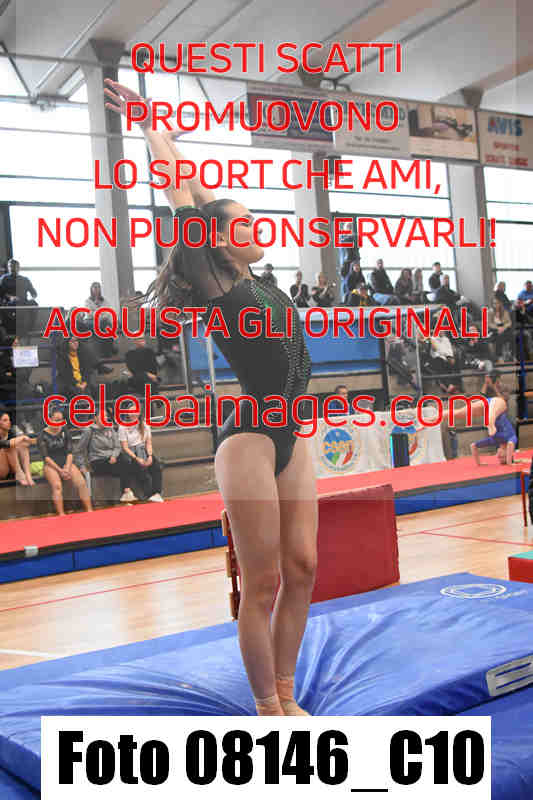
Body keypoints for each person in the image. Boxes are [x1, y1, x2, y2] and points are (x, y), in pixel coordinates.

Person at [105, 79, 317, 717]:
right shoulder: (215, 280)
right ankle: (267, 707)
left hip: (290, 431)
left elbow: (198, 188)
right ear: (217, 240)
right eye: (243, 222)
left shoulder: (258, 280)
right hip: (250, 435)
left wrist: (168, 132)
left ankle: (288, 693)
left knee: (303, 568)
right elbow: (183, 191)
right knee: (263, 579)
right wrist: (148, 125)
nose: (256, 226)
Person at [75, 410, 138, 503]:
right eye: (102, 416)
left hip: (112, 458)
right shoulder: (89, 431)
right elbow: (79, 450)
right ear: (95, 418)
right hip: (97, 460)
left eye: (106, 416)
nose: (105, 418)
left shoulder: (110, 428)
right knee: (123, 465)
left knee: (126, 461)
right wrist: (81, 466)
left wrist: (114, 456)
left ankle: (126, 492)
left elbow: (117, 446)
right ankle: (126, 493)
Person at [38, 408, 92, 515]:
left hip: (66, 462)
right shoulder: (42, 435)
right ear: (49, 419)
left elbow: (70, 451)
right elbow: (46, 457)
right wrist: (60, 470)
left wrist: (67, 467)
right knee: (57, 486)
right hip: (51, 465)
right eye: (56, 420)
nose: (59, 423)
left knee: (81, 483)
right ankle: (61, 514)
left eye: (61, 420)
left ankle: (89, 510)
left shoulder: (64, 430)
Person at [118, 403, 163, 502]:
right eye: (131, 411)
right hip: (130, 453)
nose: (134, 414)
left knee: (156, 465)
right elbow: (125, 447)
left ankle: (157, 493)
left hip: (142, 449)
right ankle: (145, 495)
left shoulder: (145, 425)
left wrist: (150, 456)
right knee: (139, 468)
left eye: (136, 411)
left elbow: (148, 443)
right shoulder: (122, 427)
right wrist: (136, 458)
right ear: (127, 413)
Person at [0, 410, 35, 486]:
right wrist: (22, 438)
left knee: (22, 445)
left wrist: (26, 441)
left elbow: (28, 442)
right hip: (2, 470)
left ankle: (28, 475)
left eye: (9, 420)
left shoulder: (11, 432)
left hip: (12, 468)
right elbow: (6, 444)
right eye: (5, 420)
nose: (9, 422)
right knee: (9, 445)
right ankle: (19, 474)